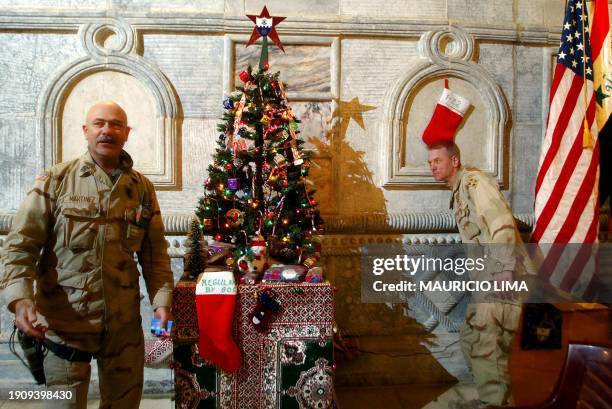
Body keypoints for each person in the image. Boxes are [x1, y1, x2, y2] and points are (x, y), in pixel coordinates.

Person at [0, 101, 174, 408]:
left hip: (123, 330)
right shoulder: (56, 180)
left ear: (126, 133)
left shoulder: (142, 189)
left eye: (116, 125)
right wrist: (19, 300)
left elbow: (155, 255)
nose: (107, 130)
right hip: (65, 328)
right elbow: (20, 245)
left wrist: (162, 304)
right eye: (99, 123)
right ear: (86, 130)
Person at [428, 140, 533, 408]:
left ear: (454, 161)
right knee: (470, 338)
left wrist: (504, 269)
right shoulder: (459, 192)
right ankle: (493, 398)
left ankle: (494, 400)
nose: (432, 167)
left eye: (437, 161)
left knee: (488, 348)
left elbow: (501, 223)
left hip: (503, 279)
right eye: (430, 163)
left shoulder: (474, 183)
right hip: (487, 283)